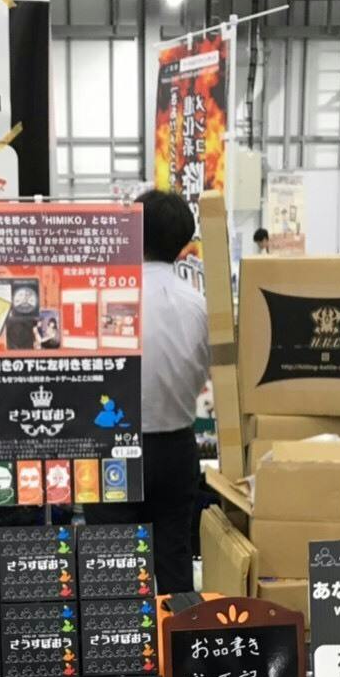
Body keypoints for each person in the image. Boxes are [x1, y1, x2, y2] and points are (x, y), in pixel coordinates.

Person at [85, 189, 208, 595]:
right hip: (177, 447)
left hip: (111, 447)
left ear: (132, 231)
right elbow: (207, 372)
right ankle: (180, 633)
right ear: (184, 243)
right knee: (174, 559)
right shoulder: (199, 304)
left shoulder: (105, 298)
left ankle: (121, 635)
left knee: (113, 567)